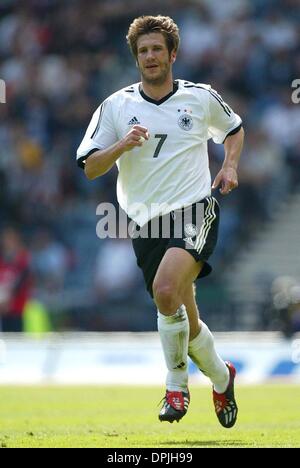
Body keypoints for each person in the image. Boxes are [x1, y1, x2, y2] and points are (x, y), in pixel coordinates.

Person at [76, 15, 244, 428]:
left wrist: (230, 166)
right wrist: (122, 144)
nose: (150, 56)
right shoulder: (116, 106)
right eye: (143, 50)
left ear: (173, 54)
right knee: (183, 314)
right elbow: (90, 168)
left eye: (156, 49)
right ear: (136, 58)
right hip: (145, 224)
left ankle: (176, 386)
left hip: (193, 209)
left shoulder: (200, 98)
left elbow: (234, 129)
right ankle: (222, 377)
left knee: (166, 290)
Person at [0, 226, 32, 332]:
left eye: (10, 238)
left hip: (16, 308)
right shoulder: (3, 261)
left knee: (16, 338)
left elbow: (22, 281)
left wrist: (8, 300)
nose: (7, 242)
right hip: (3, 309)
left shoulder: (22, 260)